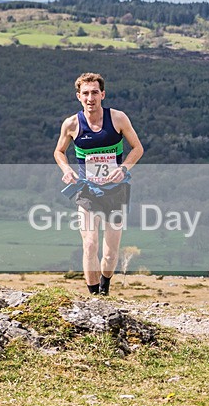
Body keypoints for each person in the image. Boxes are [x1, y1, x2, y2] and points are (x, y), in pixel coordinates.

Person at [54, 72, 144, 296]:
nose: (90, 98)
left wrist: (123, 169)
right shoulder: (72, 124)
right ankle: (93, 296)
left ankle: (104, 288)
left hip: (116, 192)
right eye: (85, 93)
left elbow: (138, 149)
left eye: (95, 92)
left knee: (110, 254)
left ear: (102, 94)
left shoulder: (118, 119)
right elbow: (59, 151)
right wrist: (66, 169)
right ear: (78, 96)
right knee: (90, 244)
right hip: (87, 191)